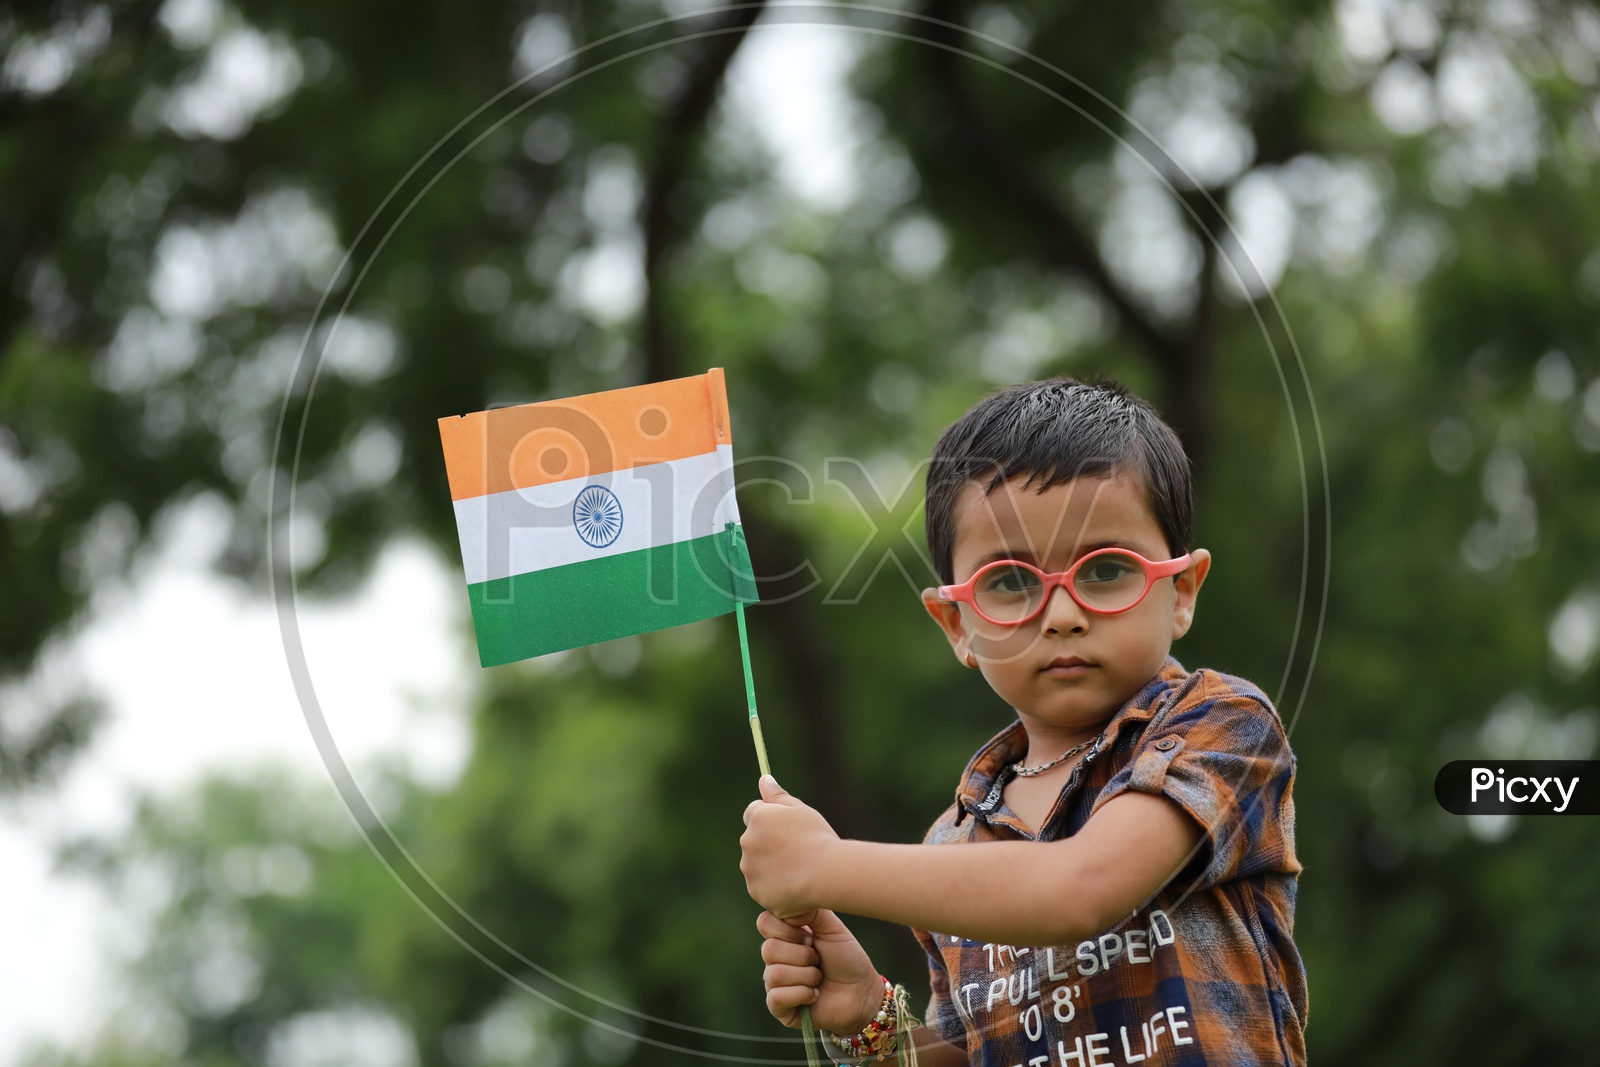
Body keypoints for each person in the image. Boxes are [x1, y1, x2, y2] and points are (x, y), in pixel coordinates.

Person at [739, 377, 1306, 1066]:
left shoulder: (1219, 725)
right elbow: (975, 1054)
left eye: (1105, 570)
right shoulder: (953, 841)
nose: (1062, 614)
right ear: (957, 624)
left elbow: (1079, 889)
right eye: (1010, 583)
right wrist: (867, 1016)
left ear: (1180, 590)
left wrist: (823, 865)